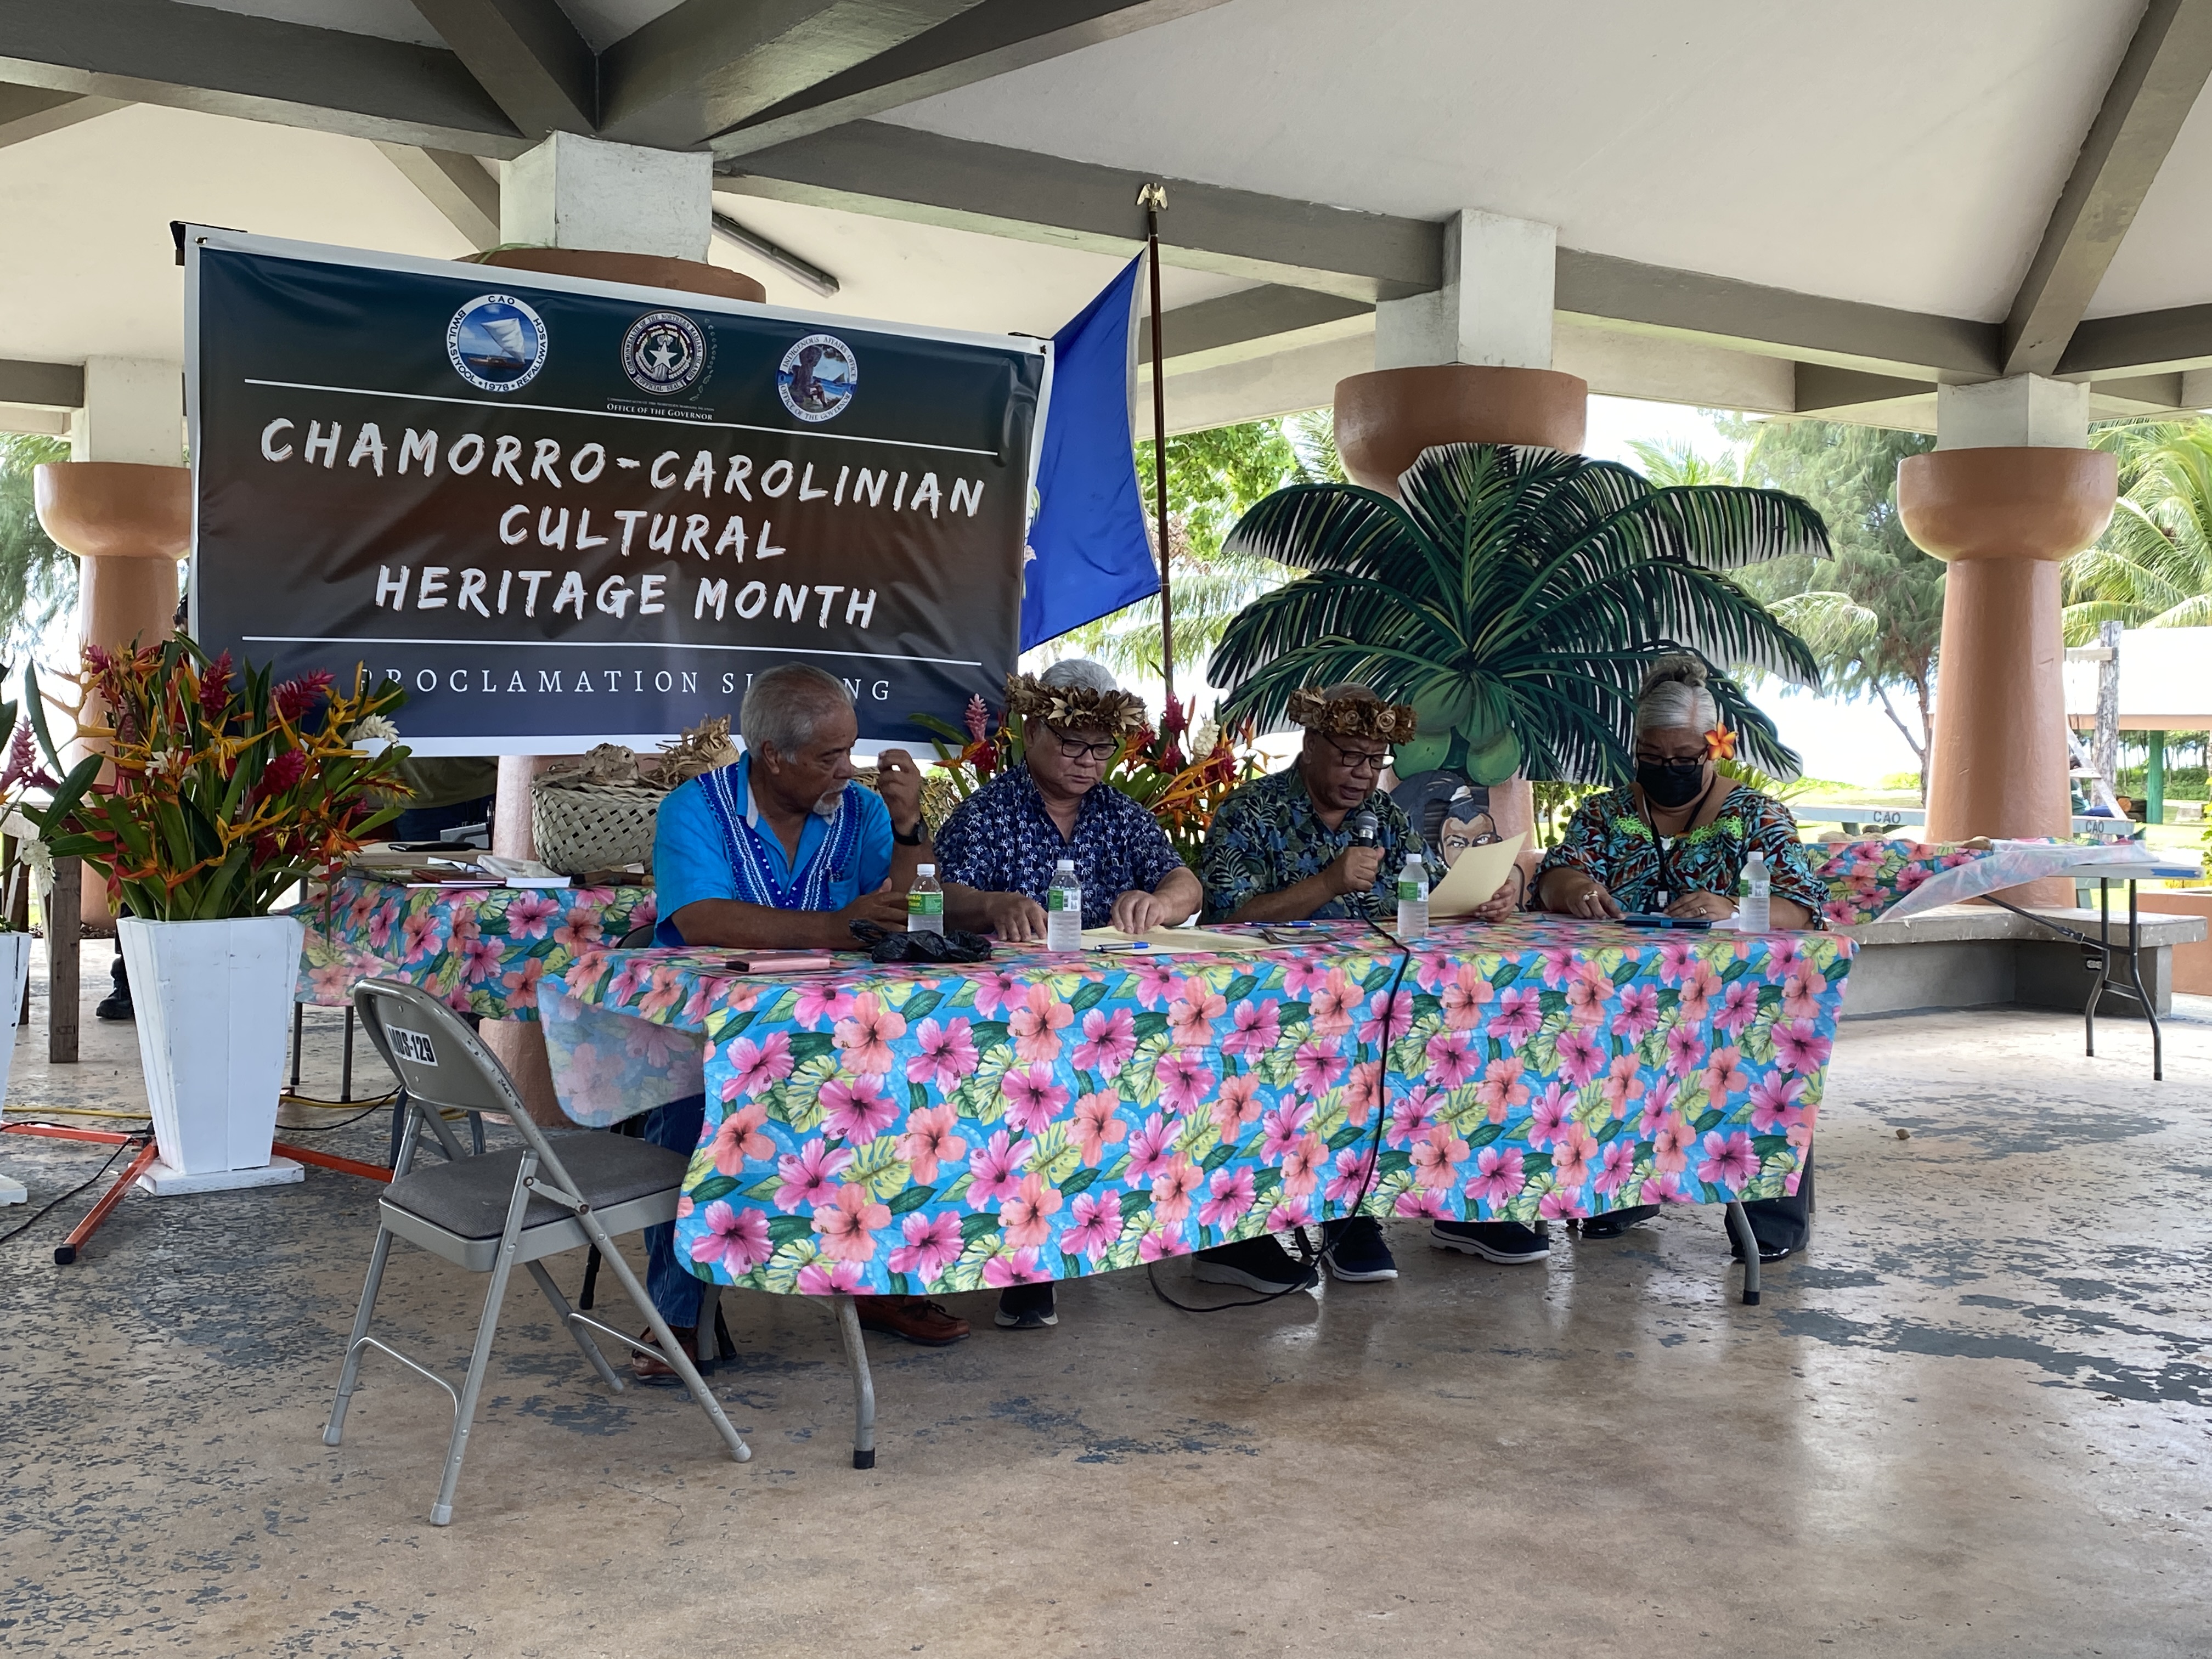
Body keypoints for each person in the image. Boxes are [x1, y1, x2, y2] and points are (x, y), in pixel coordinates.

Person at [641, 663, 967, 1375]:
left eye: (849, 750)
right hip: (710, 1039)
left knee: (915, 1084)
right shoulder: (693, 809)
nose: (847, 770)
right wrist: (831, 924)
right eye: (828, 757)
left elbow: (912, 909)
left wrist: (911, 828)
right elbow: (699, 919)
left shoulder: (863, 812)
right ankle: (675, 1313)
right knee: (691, 1105)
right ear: (772, 757)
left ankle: (883, 1283)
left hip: (841, 1035)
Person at [1200, 682, 1531, 1289]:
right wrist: (1327, 883)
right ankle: (1326, 1223)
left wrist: (1492, 894)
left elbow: (1431, 893)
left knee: (1482, 1030)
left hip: (1384, 1004)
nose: (1361, 773)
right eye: (1348, 755)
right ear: (1310, 744)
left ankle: (1465, 1206)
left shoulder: (1386, 818)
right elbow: (1224, 917)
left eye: (1373, 760)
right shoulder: (1249, 813)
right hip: (1278, 1014)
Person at [933, 660, 1203, 1330]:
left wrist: (1161, 904)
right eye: (1072, 745)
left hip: (1116, 1013)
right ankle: (1030, 1266)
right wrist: (993, 903)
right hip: (1014, 1019)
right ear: (1031, 732)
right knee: (1031, 1105)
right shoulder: (987, 813)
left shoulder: (1121, 816)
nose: (1088, 762)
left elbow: (1187, 885)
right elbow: (938, 897)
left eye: (1101, 748)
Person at [1533, 653, 1829, 1261]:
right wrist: (1575, 890)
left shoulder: (1757, 818)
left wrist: (1730, 905)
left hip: (1735, 1000)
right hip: (1624, 999)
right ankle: (1620, 1194)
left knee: (1769, 1064)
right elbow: (1556, 876)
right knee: (1601, 1062)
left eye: (1683, 760)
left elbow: (1802, 905)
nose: (1666, 770)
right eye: (1653, 757)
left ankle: (1771, 1217)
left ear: (1715, 749)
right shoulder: (1606, 814)